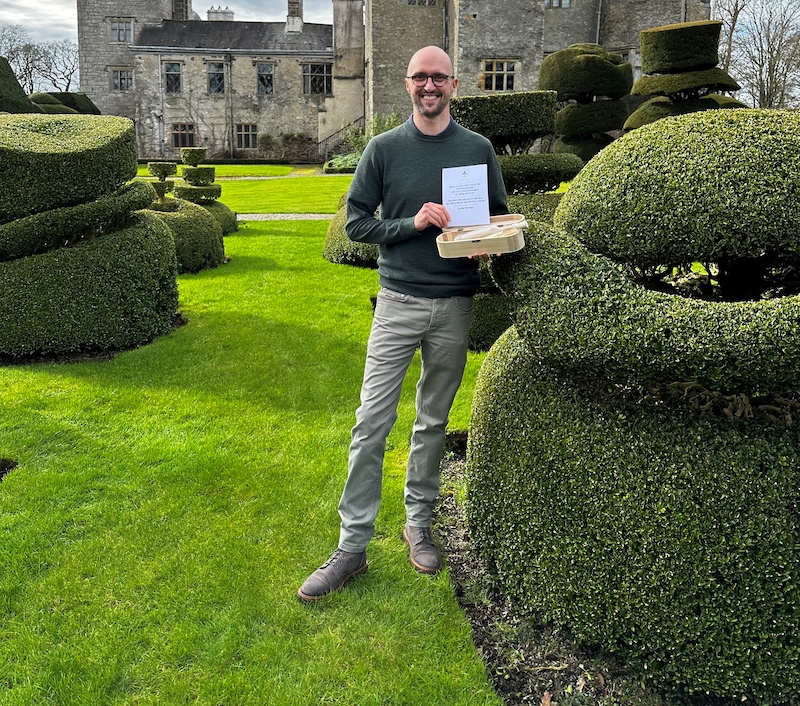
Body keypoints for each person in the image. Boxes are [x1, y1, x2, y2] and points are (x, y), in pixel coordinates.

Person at [297, 45, 508, 602]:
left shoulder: (477, 149)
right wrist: (413, 224)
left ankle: (418, 525)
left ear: (454, 85)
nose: (430, 86)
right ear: (407, 84)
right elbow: (358, 226)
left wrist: (484, 245)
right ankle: (352, 545)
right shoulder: (384, 149)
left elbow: (496, 219)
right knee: (371, 422)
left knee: (432, 421)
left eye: (439, 78)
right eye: (421, 77)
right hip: (398, 302)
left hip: (455, 305)